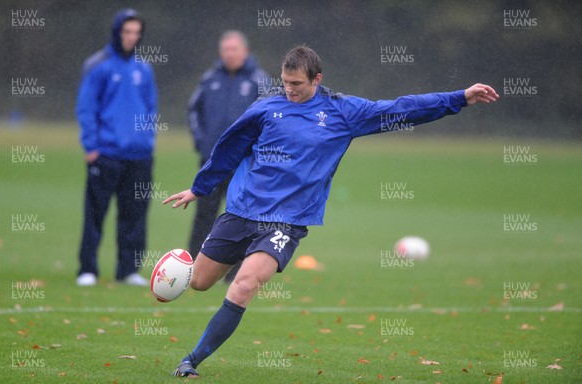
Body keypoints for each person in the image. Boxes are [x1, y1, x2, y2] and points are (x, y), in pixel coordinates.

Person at [163, 46, 499, 377]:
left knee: (243, 285)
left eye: (296, 84)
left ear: (317, 79)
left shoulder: (342, 112)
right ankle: (219, 258)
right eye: (285, 82)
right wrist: (200, 187)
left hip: (286, 222)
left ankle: (191, 361)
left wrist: (459, 98)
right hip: (242, 211)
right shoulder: (266, 108)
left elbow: (400, 109)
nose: (289, 90)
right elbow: (230, 145)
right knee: (202, 282)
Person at [76, 9, 158, 286]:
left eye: (136, 32)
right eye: (127, 31)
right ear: (116, 32)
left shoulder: (144, 68)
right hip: (106, 153)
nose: (132, 37)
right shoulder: (98, 65)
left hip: (139, 156)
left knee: (135, 215)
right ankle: (88, 269)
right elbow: (86, 108)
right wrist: (91, 146)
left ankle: (128, 270)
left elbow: (150, 108)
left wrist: (148, 141)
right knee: (95, 214)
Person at [187, 30, 268, 283]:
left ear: (245, 51)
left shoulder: (259, 79)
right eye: (226, 49)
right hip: (212, 161)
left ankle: (235, 271)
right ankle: (190, 267)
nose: (230, 54)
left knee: (241, 217)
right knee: (204, 214)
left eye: (234, 49)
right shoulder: (210, 78)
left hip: (244, 164)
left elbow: (271, 119)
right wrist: (201, 141)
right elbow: (193, 111)